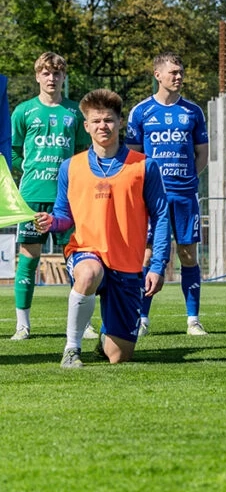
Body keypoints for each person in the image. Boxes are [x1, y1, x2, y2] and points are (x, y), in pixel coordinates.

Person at [34, 88, 171, 368]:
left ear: (120, 122)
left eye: (108, 120)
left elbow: (161, 217)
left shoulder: (144, 166)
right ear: (86, 126)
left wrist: (157, 265)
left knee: (119, 356)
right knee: (89, 273)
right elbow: (63, 216)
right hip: (86, 251)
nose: (102, 126)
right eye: (96, 121)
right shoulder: (70, 167)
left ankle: (106, 338)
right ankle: (72, 349)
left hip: (127, 264)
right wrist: (51, 222)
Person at [126, 52, 210, 336]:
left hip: (185, 195)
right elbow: (133, 157)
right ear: (157, 75)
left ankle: (193, 320)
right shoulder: (141, 112)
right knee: (148, 254)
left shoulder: (193, 111)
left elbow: (202, 154)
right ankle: (141, 319)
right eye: (173, 72)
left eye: (181, 71)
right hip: (151, 198)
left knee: (188, 254)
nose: (179, 76)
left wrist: (189, 179)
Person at [9, 53, 89, 340]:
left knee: (76, 259)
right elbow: (14, 151)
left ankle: (83, 324)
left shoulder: (75, 112)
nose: (51, 78)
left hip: (67, 197)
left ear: (64, 77)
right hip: (32, 196)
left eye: (57, 73)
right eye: (46, 73)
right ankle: (22, 325)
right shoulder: (23, 111)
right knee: (29, 258)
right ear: (37, 76)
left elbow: (82, 153)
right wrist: (31, 169)